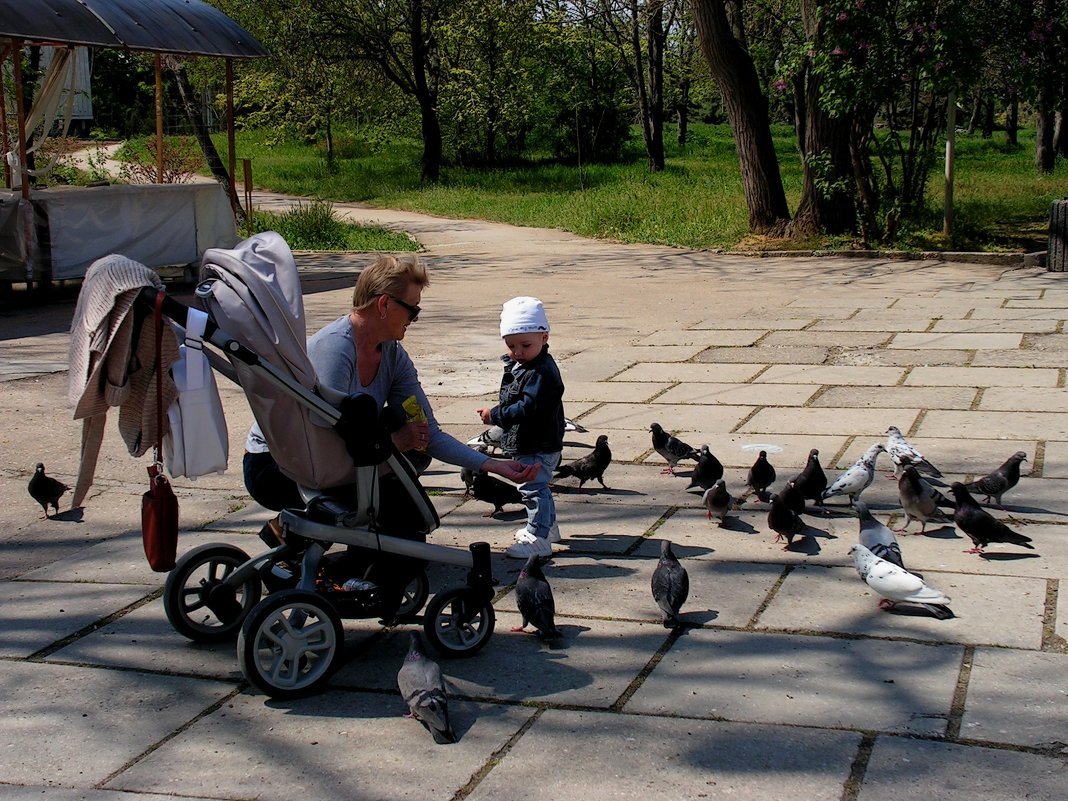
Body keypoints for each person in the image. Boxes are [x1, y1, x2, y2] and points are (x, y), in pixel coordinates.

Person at [243, 255, 538, 602]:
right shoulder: (334, 350)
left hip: (344, 461)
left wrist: (492, 465)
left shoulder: (393, 355)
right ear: (384, 304)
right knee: (402, 537)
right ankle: (313, 569)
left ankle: (307, 543)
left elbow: (428, 432)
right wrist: (396, 441)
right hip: (282, 467)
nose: (415, 318)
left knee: (408, 524)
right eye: (413, 310)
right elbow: (323, 442)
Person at [478, 296, 566, 558]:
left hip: (537, 442)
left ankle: (537, 538)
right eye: (511, 345)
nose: (517, 351)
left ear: (544, 337)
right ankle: (548, 528)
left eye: (525, 345)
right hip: (534, 440)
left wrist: (496, 415)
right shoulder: (526, 365)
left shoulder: (540, 372)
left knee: (532, 488)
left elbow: (527, 407)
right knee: (538, 486)